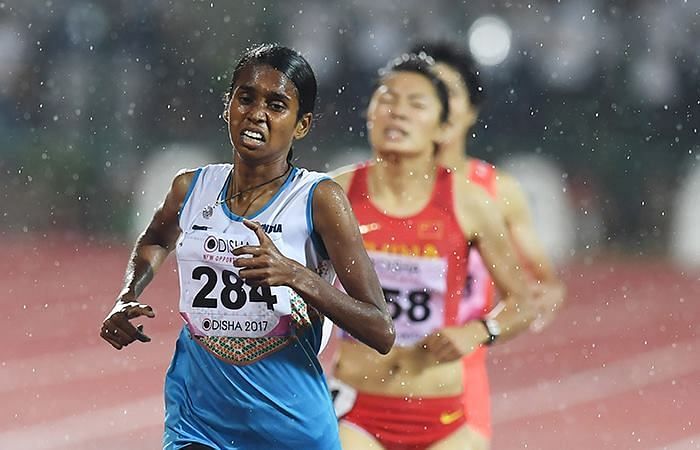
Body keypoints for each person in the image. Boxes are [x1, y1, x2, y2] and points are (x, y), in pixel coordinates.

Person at [99, 43, 395, 450]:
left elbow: (380, 329)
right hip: (198, 424)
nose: (256, 113)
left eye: (276, 104)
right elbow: (155, 239)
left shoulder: (319, 199)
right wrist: (127, 294)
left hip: (291, 429)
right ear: (228, 106)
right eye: (246, 97)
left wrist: (296, 276)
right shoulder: (192, 188)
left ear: (302, 124)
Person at [330, 53, 535, 450]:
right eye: (387, 99)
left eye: (416, 104)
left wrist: (480, 330)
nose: (398, 112)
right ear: (369, 113)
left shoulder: (471, 203)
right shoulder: (333, 194)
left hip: (444, 415)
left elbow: (523, 303)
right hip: (356, 409)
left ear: (443, 126)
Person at [410, 40, 567, 446]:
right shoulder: (377, 191)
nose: (439, 104)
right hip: (380, 365)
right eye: (428, 92)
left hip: (461, 369)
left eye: (451, 92)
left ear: (472, 110)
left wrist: (524, 306)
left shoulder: (498, 193)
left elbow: (543, 283)